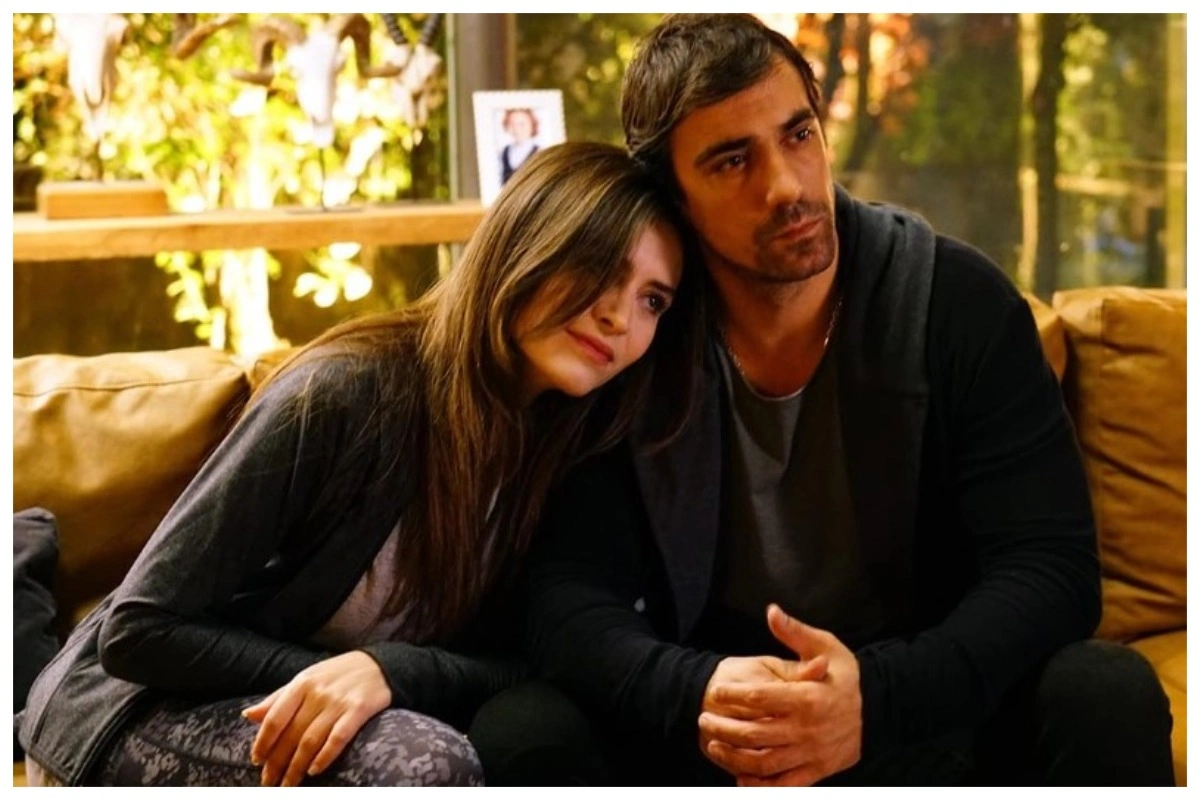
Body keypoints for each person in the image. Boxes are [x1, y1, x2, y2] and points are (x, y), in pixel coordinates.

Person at [471, 13, 1175, 787]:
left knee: (1104, 691)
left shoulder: (958, 304)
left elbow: (1053, 570)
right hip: (712, 725)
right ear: (675, 197)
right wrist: (698, 689)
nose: (786, 186)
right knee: (524, 728)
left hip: (921, 710)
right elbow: (565, 597)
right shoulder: (639, 332)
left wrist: (874, 698)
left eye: (798, 135)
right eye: (733, 160)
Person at [16, 141, 703, 787]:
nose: (621, 317)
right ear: (525, 246)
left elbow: (536, 659)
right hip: (126, 709)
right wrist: (346, 674)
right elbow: (138, 630)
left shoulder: (569, 445)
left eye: (652, 300)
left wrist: (390, 670)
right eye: (600, 269)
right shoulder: (345, 393)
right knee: (425, 765)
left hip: (329, 706)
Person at [500, 108, 540, 185]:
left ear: (532, 125)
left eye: (522, 124)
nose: (517, 129)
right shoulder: (505, 152)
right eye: (512, 124)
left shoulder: (539, 152)